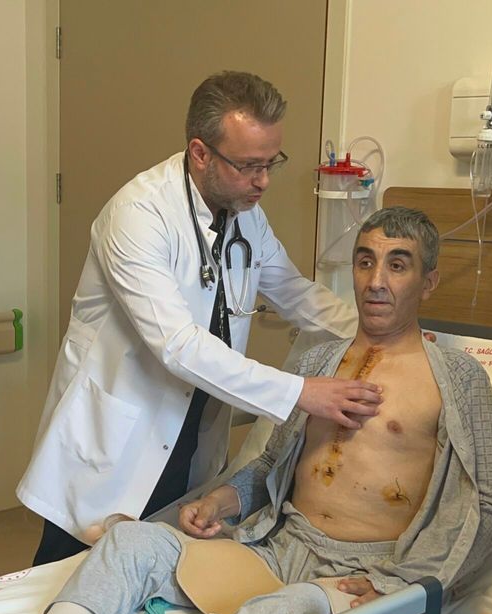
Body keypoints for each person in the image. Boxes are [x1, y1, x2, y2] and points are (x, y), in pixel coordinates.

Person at [0, 207, 492, 614]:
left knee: (296, 605)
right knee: (132, 541)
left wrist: (402, 586)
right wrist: (222, 500)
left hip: (363, 574)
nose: (376, 281)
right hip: (280, 546)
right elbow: (272, 464)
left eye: (398, 265)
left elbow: (487, 508)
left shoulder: (458, 379)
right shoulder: (318, 363)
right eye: (365, 261)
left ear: (428, 282)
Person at [20, 71, 371, 565]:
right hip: (116, 442)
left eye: (271, 163)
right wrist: (299, 392)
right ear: (201, 153)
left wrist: (385, 335)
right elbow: (178, 344)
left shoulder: (245, 215)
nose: (264, 181)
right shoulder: (138, 214)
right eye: (248, 165)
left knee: (153, 576)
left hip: (189, 434)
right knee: (68, 576)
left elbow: (296, 294)